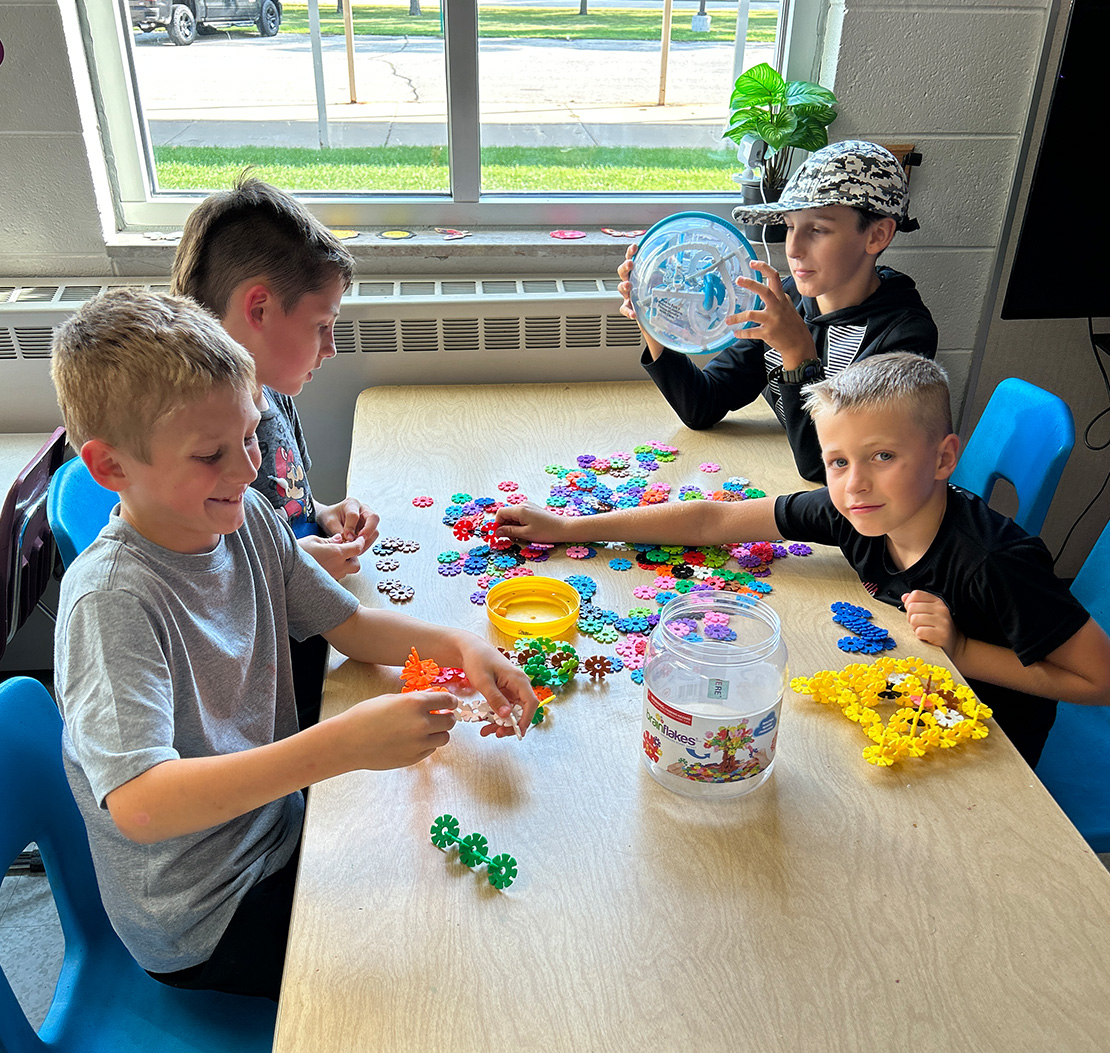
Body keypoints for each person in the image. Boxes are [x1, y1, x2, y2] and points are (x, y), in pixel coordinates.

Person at [51, 289, 538, 1001]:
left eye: (251, 436)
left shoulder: (243, 515)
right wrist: (337, 748)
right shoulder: (112, 604)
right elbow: (141, 804)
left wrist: (460, 643)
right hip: (206, 916)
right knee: (444, 961)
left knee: (449, 893)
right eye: (211, 454)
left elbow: (349, 625)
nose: (248, 471)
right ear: (113, 469)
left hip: (275, 827)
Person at [495, 353, 1110, 768]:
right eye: (838, 462)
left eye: (883, 456)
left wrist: (965, 651)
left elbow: (1100, 681)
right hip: (907, 698)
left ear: (944, 458)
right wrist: (573, 528)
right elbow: (715, 520)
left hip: (991, 743)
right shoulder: (855, 511)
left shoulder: (993, 562)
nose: (856, 483)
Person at [170, 175, 374, 726]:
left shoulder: (268, 393)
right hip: (277, 698)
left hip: (317, 639)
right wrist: (298, 567)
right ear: (258, 308)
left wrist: (326, 517)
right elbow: (210, 600)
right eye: (323, 325)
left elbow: (287, 508)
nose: (332, 347)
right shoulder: (197, 444)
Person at [617, 141, 938, 483]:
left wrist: (796, 353)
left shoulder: (904, 337)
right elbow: (702, 405)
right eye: (789, 226)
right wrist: (653, 319)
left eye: (818, 229)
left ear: (878, 235)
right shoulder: (787, 299)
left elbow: (827, 466)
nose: (794, 249)